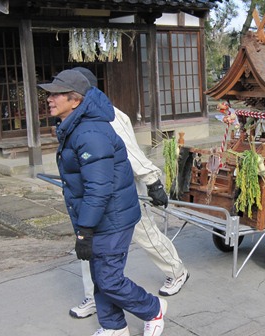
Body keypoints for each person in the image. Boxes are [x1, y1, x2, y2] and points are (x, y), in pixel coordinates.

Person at [39, 69, 166, 336]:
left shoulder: (89, 133)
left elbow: (98, 188)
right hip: (101, 216)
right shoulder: (74, 127)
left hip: (112, 217)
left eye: (56, 94)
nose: (49, 98)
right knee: (101, 275)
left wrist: (85, 231)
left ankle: (153, 308)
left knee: (109, 278)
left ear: (75, 101)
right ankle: (114, 326)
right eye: (49, 93)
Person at [68, 67, 189, 320]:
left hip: (122, 192)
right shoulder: (73, 118)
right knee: (87, 246)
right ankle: (93, 296)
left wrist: (153, 181)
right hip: (93, 196)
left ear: (81, 93)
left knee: (146, 234)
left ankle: (177, 271)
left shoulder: (107, 115)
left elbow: (131, 151)